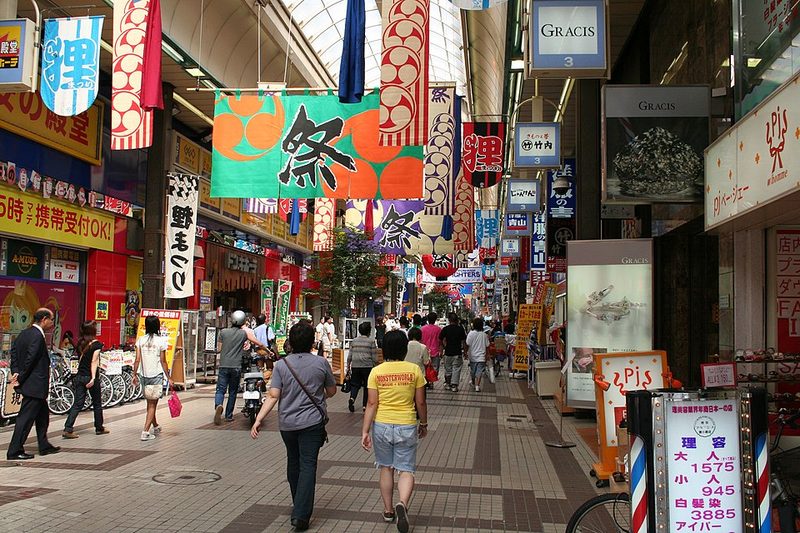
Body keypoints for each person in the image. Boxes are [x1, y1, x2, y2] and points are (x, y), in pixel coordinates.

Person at [251, 320, 336, 531]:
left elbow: (273, 396)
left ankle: (298, 503)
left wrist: (259, 419)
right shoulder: (321, 363)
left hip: (287, 424)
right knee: (308, 465)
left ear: (290, 342)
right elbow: (332, 391)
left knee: (293, 462)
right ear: (311, 342)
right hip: (313, 424)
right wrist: (319, 397)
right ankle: (301, 514)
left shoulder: (282, 365)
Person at [361, 331, 427, 532]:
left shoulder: (377, 371)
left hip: (382, 425)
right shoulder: (414, 370)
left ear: (384, 349)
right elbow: (421, 402)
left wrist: (365, 431)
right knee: (406, 469)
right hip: (406, 424)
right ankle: (403, 504)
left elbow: (371, 403)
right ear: (405, 348)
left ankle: (388, 510)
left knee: (386, 467)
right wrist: (423, 423)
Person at [6, 308, 60, 460]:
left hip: (34, 385)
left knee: (43, 416)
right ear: (43, 319)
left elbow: (14, 353)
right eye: (51, 319)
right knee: (25, 419)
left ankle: (44, 445)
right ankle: (14, 450)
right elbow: (31, 359)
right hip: (34, 385)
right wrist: (20, 377)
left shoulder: (24, 333)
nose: (52, 323)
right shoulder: (37, 335)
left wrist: (15, 371)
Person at [215, 310, 268, 425]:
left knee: (220, 389)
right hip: (236, 366)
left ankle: (218, 405)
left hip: (224, 364)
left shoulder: (223, 332)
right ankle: (229, 416)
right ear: (243, 321)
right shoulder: (243, 334)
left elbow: (219, 349)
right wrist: (269, 351)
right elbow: (259, 343)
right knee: (233, 391)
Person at [62, 322, 109, 438]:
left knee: (78, 403)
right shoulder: (97, 345)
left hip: (79, 377)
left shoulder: (80, 343)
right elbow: (94, 361)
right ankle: (99, 427)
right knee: (97, 403)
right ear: (93, 331)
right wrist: (93, 378)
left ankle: (68, 428)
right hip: (90, 377)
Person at [132, 316, 173, 441]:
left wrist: (134, 374)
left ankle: (155, 425)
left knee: (150, 402)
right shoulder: (160, 341)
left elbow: (137, 359)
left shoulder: (140, 340)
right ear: (157, 326)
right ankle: (145, 432)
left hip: (143, 375)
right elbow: (163, 361)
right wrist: (169, 377)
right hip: (156, 375)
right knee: (152, 404)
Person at [346, 322, 378, 412]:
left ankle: (352, 398)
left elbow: (350, 355)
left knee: (355, 384)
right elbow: (374, 357)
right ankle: (364, 406)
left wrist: (348, 366)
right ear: (369, 331)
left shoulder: (354, 341)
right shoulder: (371, 341)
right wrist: (376, 365)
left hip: (355, 366)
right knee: (367, 386)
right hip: (367, 366)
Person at [439, 313, 467, 392]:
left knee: (448, 369)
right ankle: (454, 385)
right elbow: (464, 342)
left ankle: (448, 384)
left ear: (449, 320)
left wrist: (441, 350)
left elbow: (440, 340)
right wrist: (465, 352)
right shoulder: (460, 329)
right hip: (457, 352)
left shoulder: (445, 329)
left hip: (448, 352)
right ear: (457, 320)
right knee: (456, 369)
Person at [466, 318, 491, 392]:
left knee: (473, 371)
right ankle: (477, 385)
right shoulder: (484, 335)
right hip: (481, 356)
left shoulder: (471, 333)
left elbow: (467, 344)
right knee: (479, 371)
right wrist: (488, 355)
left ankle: (475, 384)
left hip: (472, 356)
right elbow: (487, 346)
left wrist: (466, 352)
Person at [420, 313, 442, 387]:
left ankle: (426, 380)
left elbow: (421, 340)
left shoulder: (422, 329)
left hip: (424, 350)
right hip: (435, 350)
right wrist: (441, 351)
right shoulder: (438, 329)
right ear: (435, 319)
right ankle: (431, 381)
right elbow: (440, 341)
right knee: (435, 367)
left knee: (425, 366)